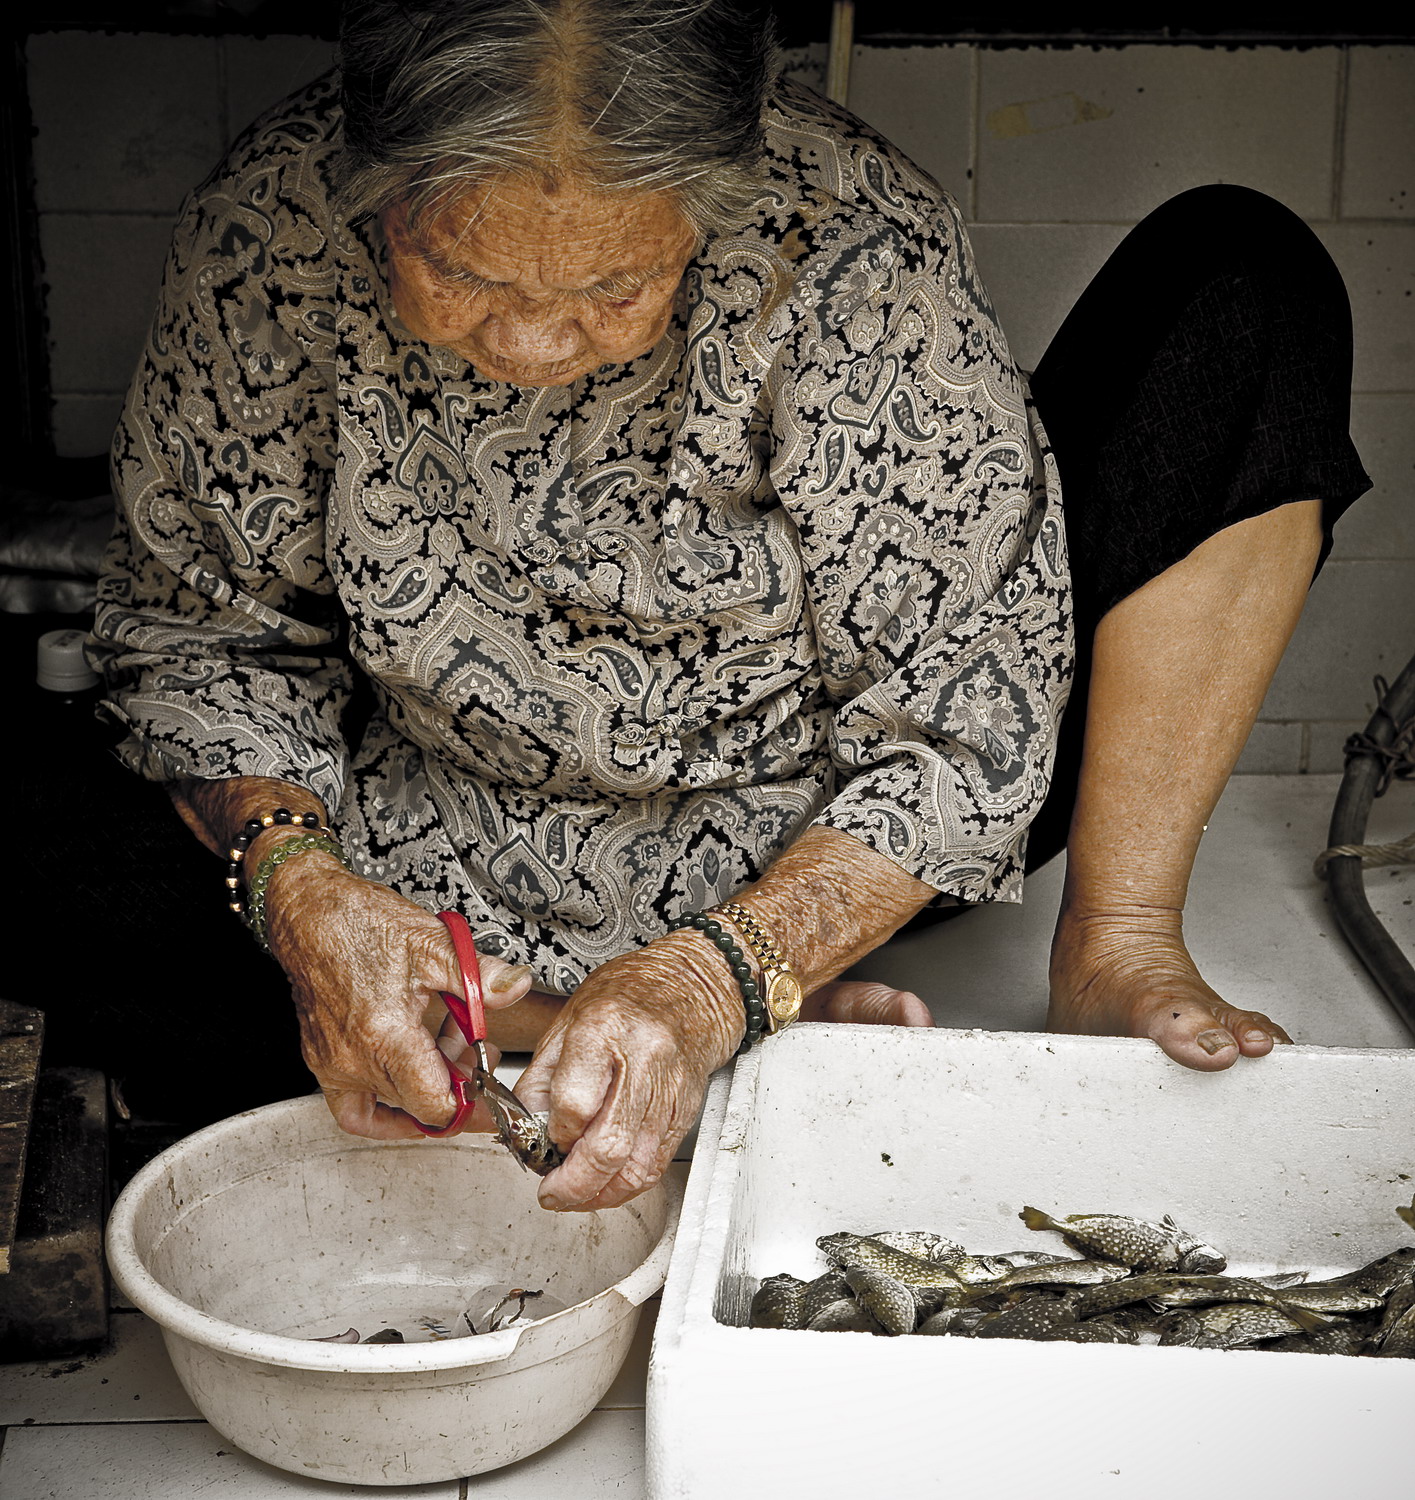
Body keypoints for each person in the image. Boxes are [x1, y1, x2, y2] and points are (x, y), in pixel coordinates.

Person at [90, 0, 1367, 1212]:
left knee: (1241, 280)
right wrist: (302, 888)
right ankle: (515, 1010)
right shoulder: (273, 227)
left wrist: (722, 970)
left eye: (613, 290)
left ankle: (1108, 944)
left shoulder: (849, 246)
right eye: (461, 272)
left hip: (821, 843)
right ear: (381, 194)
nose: (534, 346)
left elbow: (967, 714)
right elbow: (208, 642)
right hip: (422, 840)